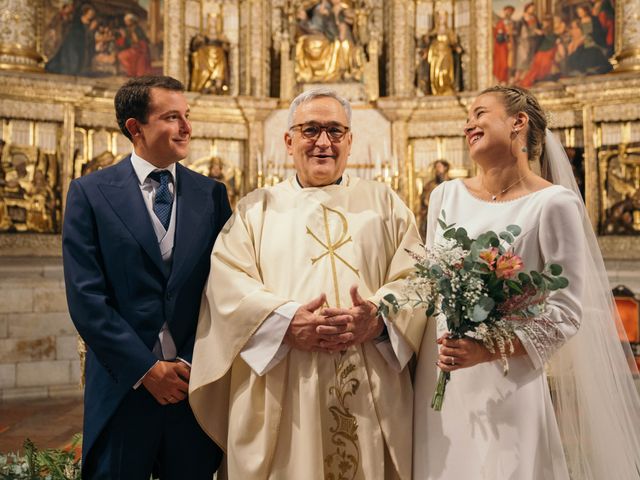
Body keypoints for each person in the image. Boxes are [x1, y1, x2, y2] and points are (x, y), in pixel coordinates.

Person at [189, 88, 424, 479]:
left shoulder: (385, 204)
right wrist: (284, 322)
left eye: (335, 131)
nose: (323, 142)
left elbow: (416, 278)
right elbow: (227, 285)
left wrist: (380, 318)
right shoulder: (255, 209)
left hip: (369, 384)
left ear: (350, 140)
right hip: (285, 382)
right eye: (310, 129)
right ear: (289, 140)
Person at [413, 85, 640, 479]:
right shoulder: (444, 195)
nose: (469, 124)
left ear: (518, 122)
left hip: (505, 382)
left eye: (480, 113)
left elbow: (566, 313)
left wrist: (485, 350)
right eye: (468, 117)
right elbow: (433, 284)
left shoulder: (554, 204)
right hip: (440, 379)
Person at [62, 75, 230, 479]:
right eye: (172, 117)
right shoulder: (90, 193)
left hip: (193, 390)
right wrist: (147, 370)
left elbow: (225, 287)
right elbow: (87, 298)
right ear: (135, 127)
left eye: (187, 116)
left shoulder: (212, 195)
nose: (187, 128)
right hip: (125, 389)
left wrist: (188, 362)